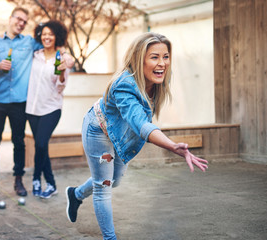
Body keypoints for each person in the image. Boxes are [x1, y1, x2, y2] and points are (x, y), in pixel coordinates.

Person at [65, 32, 209, 239]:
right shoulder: (124, 85)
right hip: (99, 130)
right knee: (103, 187)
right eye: (154, 57)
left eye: (165, 56)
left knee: (114, 180)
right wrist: (172, 146)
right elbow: (141, 123)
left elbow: (141, 121)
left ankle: (76, 194)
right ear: (138, 59)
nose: (162, 63)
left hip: (122, 134)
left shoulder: (156, 82)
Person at [0, 7, 44, 197]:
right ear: (10, 19)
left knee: (19, 141)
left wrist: (65, 57)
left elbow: (50, 45)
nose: (21, 23)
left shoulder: (29, 42)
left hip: (20, 101)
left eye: (24, 22)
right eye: (18, 19)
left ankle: (18, 180)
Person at [26, 20, 71, 199]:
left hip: (51, 107)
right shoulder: (35, 55)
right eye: (44, 34)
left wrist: (61, 72)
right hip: (32, 108)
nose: (46, 37)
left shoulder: (61, 58)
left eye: (50, 34)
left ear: (56, 37)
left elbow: (61, 86)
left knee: (41, 144)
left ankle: (41, 180)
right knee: (41, 147)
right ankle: (45, 183)